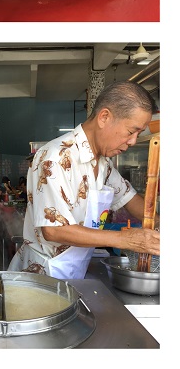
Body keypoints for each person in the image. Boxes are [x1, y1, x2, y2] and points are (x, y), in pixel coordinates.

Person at [8, 81, 160, 279]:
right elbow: (53, 231)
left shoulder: (104, 165)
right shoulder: (55, 158)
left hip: (75, 268)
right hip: (44, 273)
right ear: (104, 117)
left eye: (138, 134)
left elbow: (129, 199)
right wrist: (125, 239)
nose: (132, 141)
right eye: (131, 132)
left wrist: (160, 223)